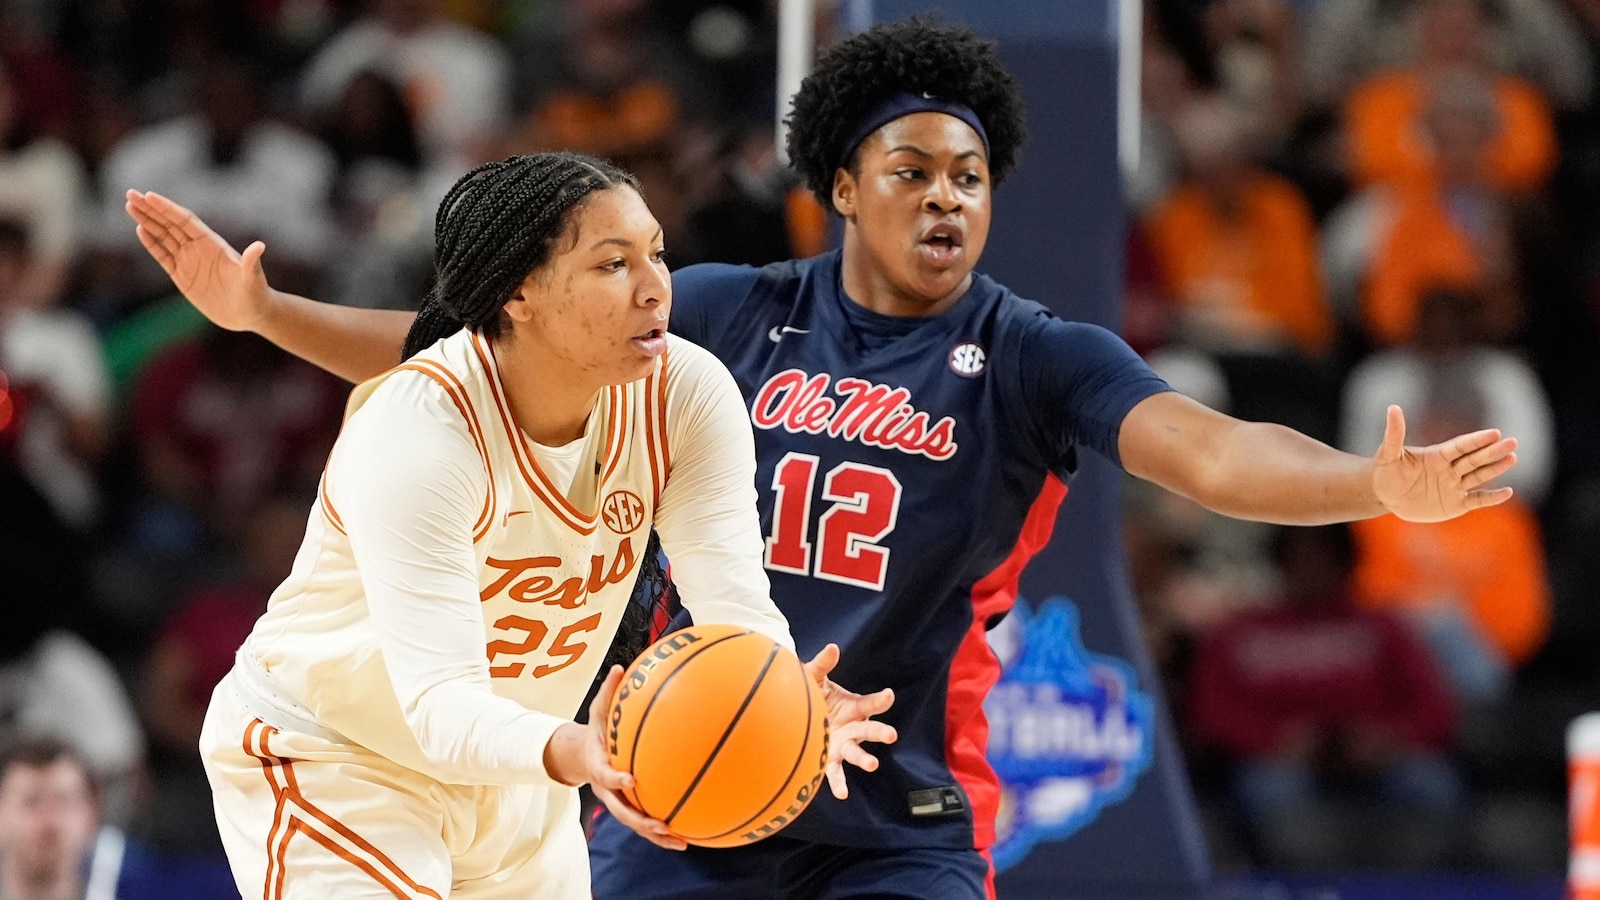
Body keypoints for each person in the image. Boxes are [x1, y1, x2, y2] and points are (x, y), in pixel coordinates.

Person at [125, 19, 1520, 900]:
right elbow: (464, 340)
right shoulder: (730, 310)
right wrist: (265, 315)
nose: (946, 196)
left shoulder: (1037, 353)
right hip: (677, 767)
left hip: (892, 794)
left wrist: (1364, 483)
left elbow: (1209, 456)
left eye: (969, 177)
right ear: (843, 183)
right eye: (912, 168)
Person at [126, 151, 894, 898]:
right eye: (612, 263)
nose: (655, 287)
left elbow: (733, 603)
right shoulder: (419, 431)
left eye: (656, 254)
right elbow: (438, 707)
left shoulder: (687, 393)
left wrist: (783, 699)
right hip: (338, 756)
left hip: (519, 775)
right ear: (520, 294)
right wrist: (583, 751)